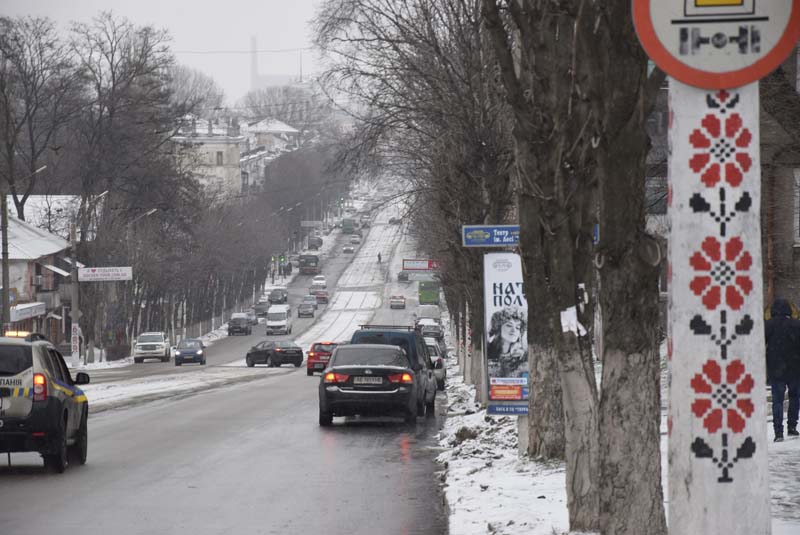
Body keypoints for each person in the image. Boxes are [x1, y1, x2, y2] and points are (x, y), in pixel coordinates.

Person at [765, 298, 800, 442]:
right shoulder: (797, 325)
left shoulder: (768, 325)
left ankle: (778, 432)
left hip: (776, 368)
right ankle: (792, 426)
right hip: (795, 366)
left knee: (777, 400)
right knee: (794, 397)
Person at [487, 306, 528, 377]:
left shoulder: (523, 357)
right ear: (498, 328)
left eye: (517, 327)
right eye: (509, 325)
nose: (514, 330)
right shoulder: (488, 351)